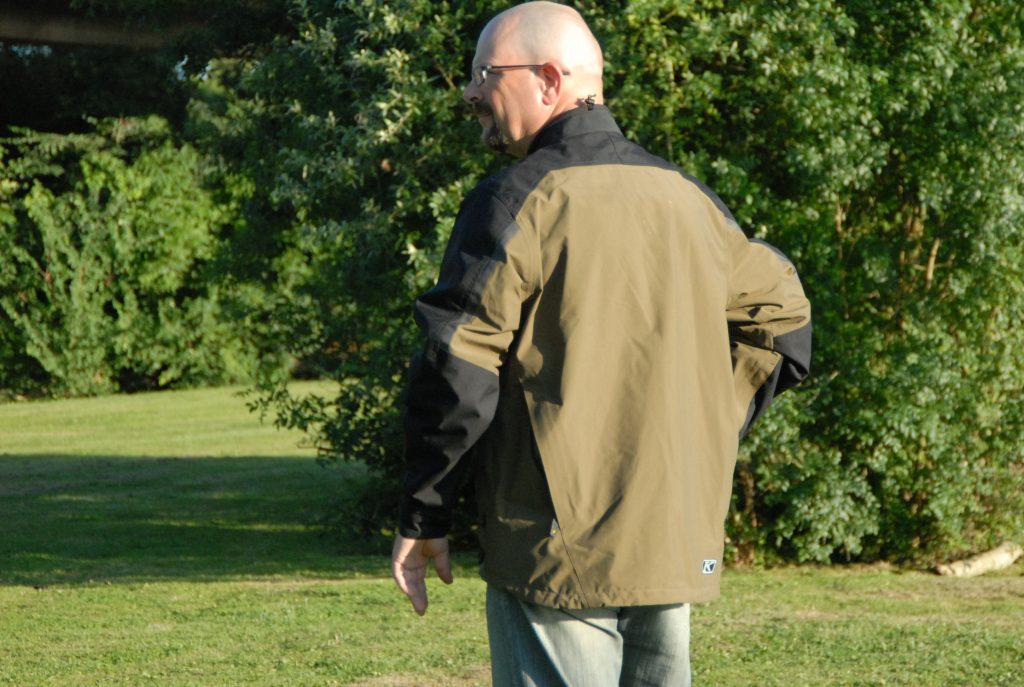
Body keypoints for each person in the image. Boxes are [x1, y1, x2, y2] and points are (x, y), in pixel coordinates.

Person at [390, 2, 812, 685]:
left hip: (556, 550)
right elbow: (786, 321)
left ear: (549, 79)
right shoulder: (690, 201)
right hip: (670, 538)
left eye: (483, 73)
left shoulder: (515, 201)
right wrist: (699, 437)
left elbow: (457, 367)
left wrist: (423, 508)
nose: (469, 91)